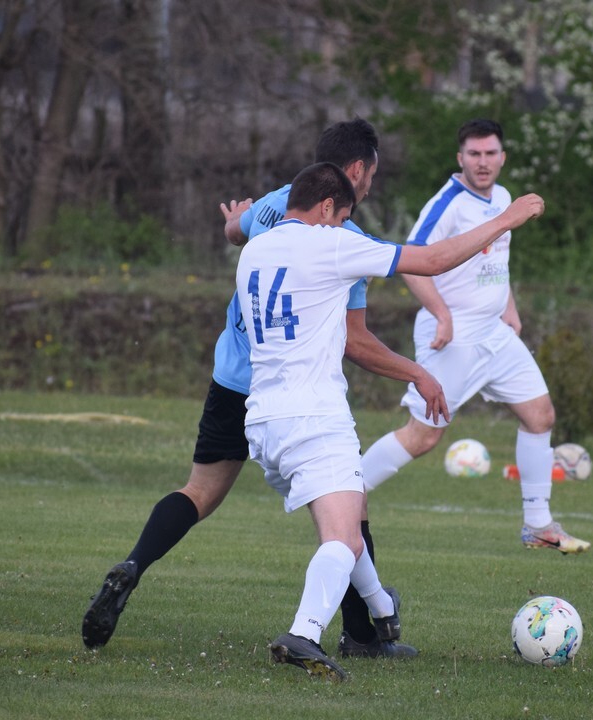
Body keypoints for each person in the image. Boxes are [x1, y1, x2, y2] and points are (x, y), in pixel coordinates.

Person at [81, 119, 442, 659]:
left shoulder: (279, 201)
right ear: (356, 170)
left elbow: (236, 231)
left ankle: (134, 563)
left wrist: (234, 221)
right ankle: (362, 636)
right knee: (346, 512)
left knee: (199, 491)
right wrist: (414, 370)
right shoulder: (342, 241)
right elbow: (354, 340)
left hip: (234, 379)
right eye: (371, 176)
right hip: (294, 391)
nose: (370, 188)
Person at [238, 161, 544, 679]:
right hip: (314, 416)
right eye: (342, 218)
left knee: (348, 520)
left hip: (264, 418)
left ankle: (382, 608)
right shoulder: (330, 243)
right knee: (342, 538)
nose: (344, 227)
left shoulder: (254, 250)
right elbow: (432, 260)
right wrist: (505, 220)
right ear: (327, 207)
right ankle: (304, 634)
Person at [359, 118, 591, 554]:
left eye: (490, 153)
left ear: (502, 157)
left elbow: (495, 261)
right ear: (460, 158)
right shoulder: (447, 204)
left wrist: (509, 307)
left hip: (494, 333)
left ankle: (538, 525)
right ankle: (344, 491)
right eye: (474, 154)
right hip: (453, 337)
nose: (482, 162)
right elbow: (412, 262)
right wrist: (442, 313)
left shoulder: (502, 199)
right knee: (423, 436)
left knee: (540, 415)